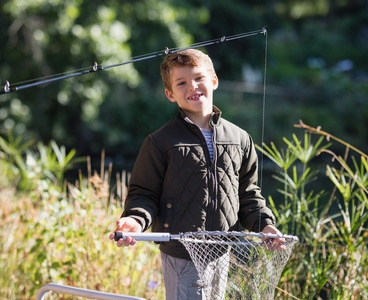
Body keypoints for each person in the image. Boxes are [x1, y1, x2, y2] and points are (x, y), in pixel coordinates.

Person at [109, 48, 283, 299]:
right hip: (181, 254)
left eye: (199, 78)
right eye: (181, 83)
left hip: (222, 252)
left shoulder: (240, 139)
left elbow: (248, 194)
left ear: (214, 81)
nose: (192, 86)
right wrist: (134, 221)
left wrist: (265, 225)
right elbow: (143, 194)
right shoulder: (160, 142)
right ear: (170, 94)